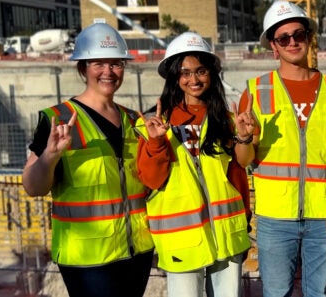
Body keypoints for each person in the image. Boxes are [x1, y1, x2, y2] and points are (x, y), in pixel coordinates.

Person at [21, 22, 155, 297]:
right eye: (98, 64)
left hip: (136, 253)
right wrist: (50, 155)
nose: (108, 72)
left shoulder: (134, 120)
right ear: (82, 68)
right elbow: (33, 187)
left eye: (116, 64)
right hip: (86, 259)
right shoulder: (58, 118)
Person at [235, 0, 326, 297]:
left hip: (324, 215)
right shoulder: (255, 92)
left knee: (319, 293)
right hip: (275, 218)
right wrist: (244, 137)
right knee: (277, 293)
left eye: (298, 34)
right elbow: (244, 159)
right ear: (273, 47)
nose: (292, 42)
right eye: (283, 38)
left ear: (308, 38)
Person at [137, 31, 251, 297]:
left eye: (200, 71)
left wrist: (244, 137)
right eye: (185, 73)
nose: (194, 80)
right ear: (175, 78)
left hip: (226, 233)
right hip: (181, 237)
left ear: (211, 74)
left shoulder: (226, 119)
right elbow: (151, 179)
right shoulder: (155, 123)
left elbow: (238, 173)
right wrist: (156, 142)